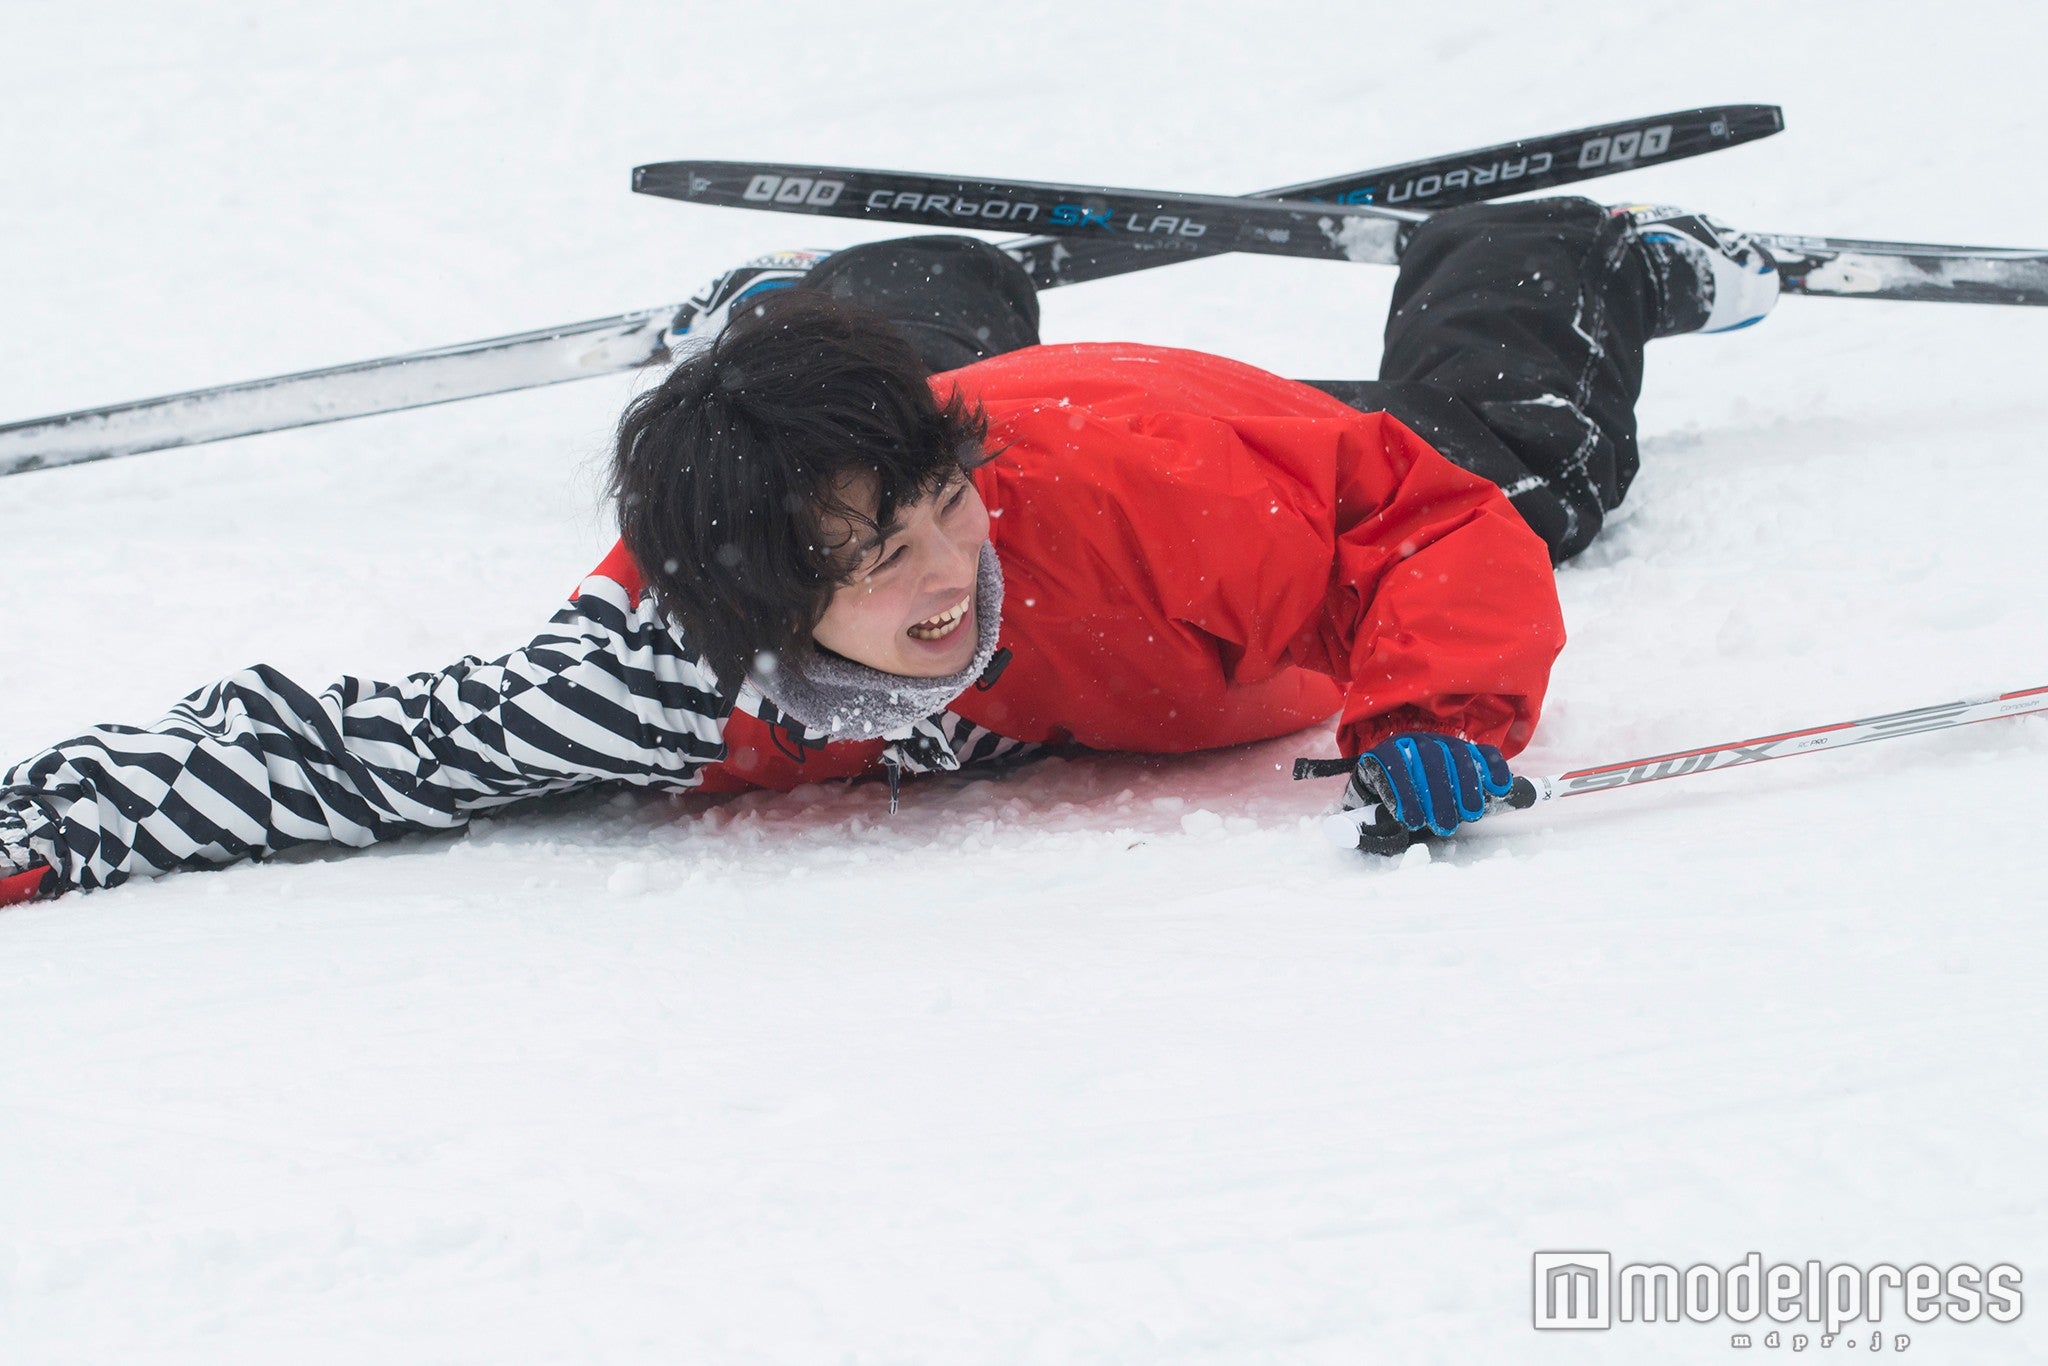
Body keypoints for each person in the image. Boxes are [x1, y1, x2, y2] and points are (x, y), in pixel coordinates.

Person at [0, 198, 1780, 906]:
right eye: (878, 560)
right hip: (943, 391)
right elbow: (374, 745)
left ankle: (1552, 259)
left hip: (1167, 431)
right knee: (878, 383)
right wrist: (55, 819)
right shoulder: (657, 672)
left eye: (940, 516)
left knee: (1511, 471)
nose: (943, 572)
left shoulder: (1176, 515)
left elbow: (1419, 520)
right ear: (763, 603)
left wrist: (1427, 707)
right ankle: (858, 300)